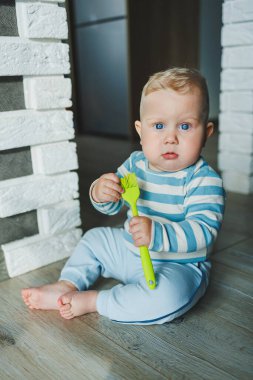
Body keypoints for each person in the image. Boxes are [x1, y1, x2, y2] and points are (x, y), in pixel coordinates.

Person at [22, 67, 225, 325]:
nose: (170, 138)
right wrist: (101, 192)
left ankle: (95, 301)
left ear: (206, 133)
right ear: (141, 132)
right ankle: (67, 284)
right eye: (159, 126)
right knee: (94, 239)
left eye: (185, 126)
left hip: (177, 266)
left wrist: (157, 234)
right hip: (128, 252)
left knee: (171, 297)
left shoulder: (204, 180)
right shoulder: (135, 164)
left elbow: (203, 231)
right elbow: (114, 204)